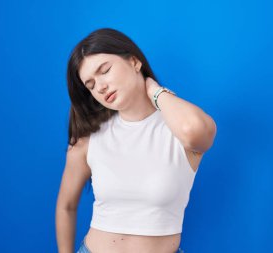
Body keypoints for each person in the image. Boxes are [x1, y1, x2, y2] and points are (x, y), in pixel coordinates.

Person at [55, 27, 217, 253]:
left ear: (134, 61)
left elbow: (196, 132)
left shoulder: (178, 128)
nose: (100, 86)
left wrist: (155, 91)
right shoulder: (88, 140)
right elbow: (66, 206)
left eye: (105, 70)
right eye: (90, 85)